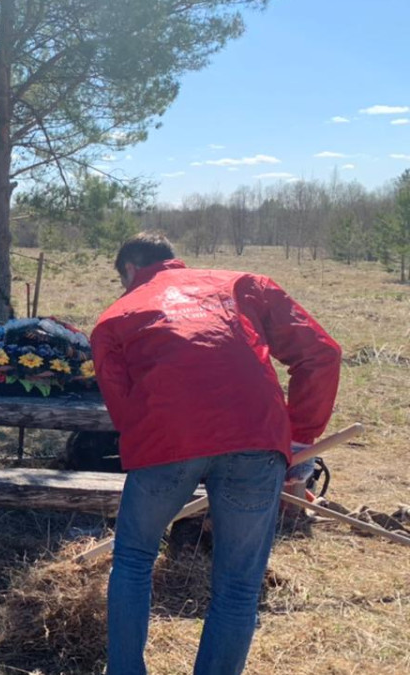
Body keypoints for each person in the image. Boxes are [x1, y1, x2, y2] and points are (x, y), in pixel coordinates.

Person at [91, 232, 342, 675]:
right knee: (238, 585)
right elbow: (321, 354)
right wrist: (299, 439)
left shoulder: (115, 317)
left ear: (130, 269)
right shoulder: (245, 284)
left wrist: (152, 445)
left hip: (166, 442)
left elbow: (123, 409)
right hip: (256, 439)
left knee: (133, 560)